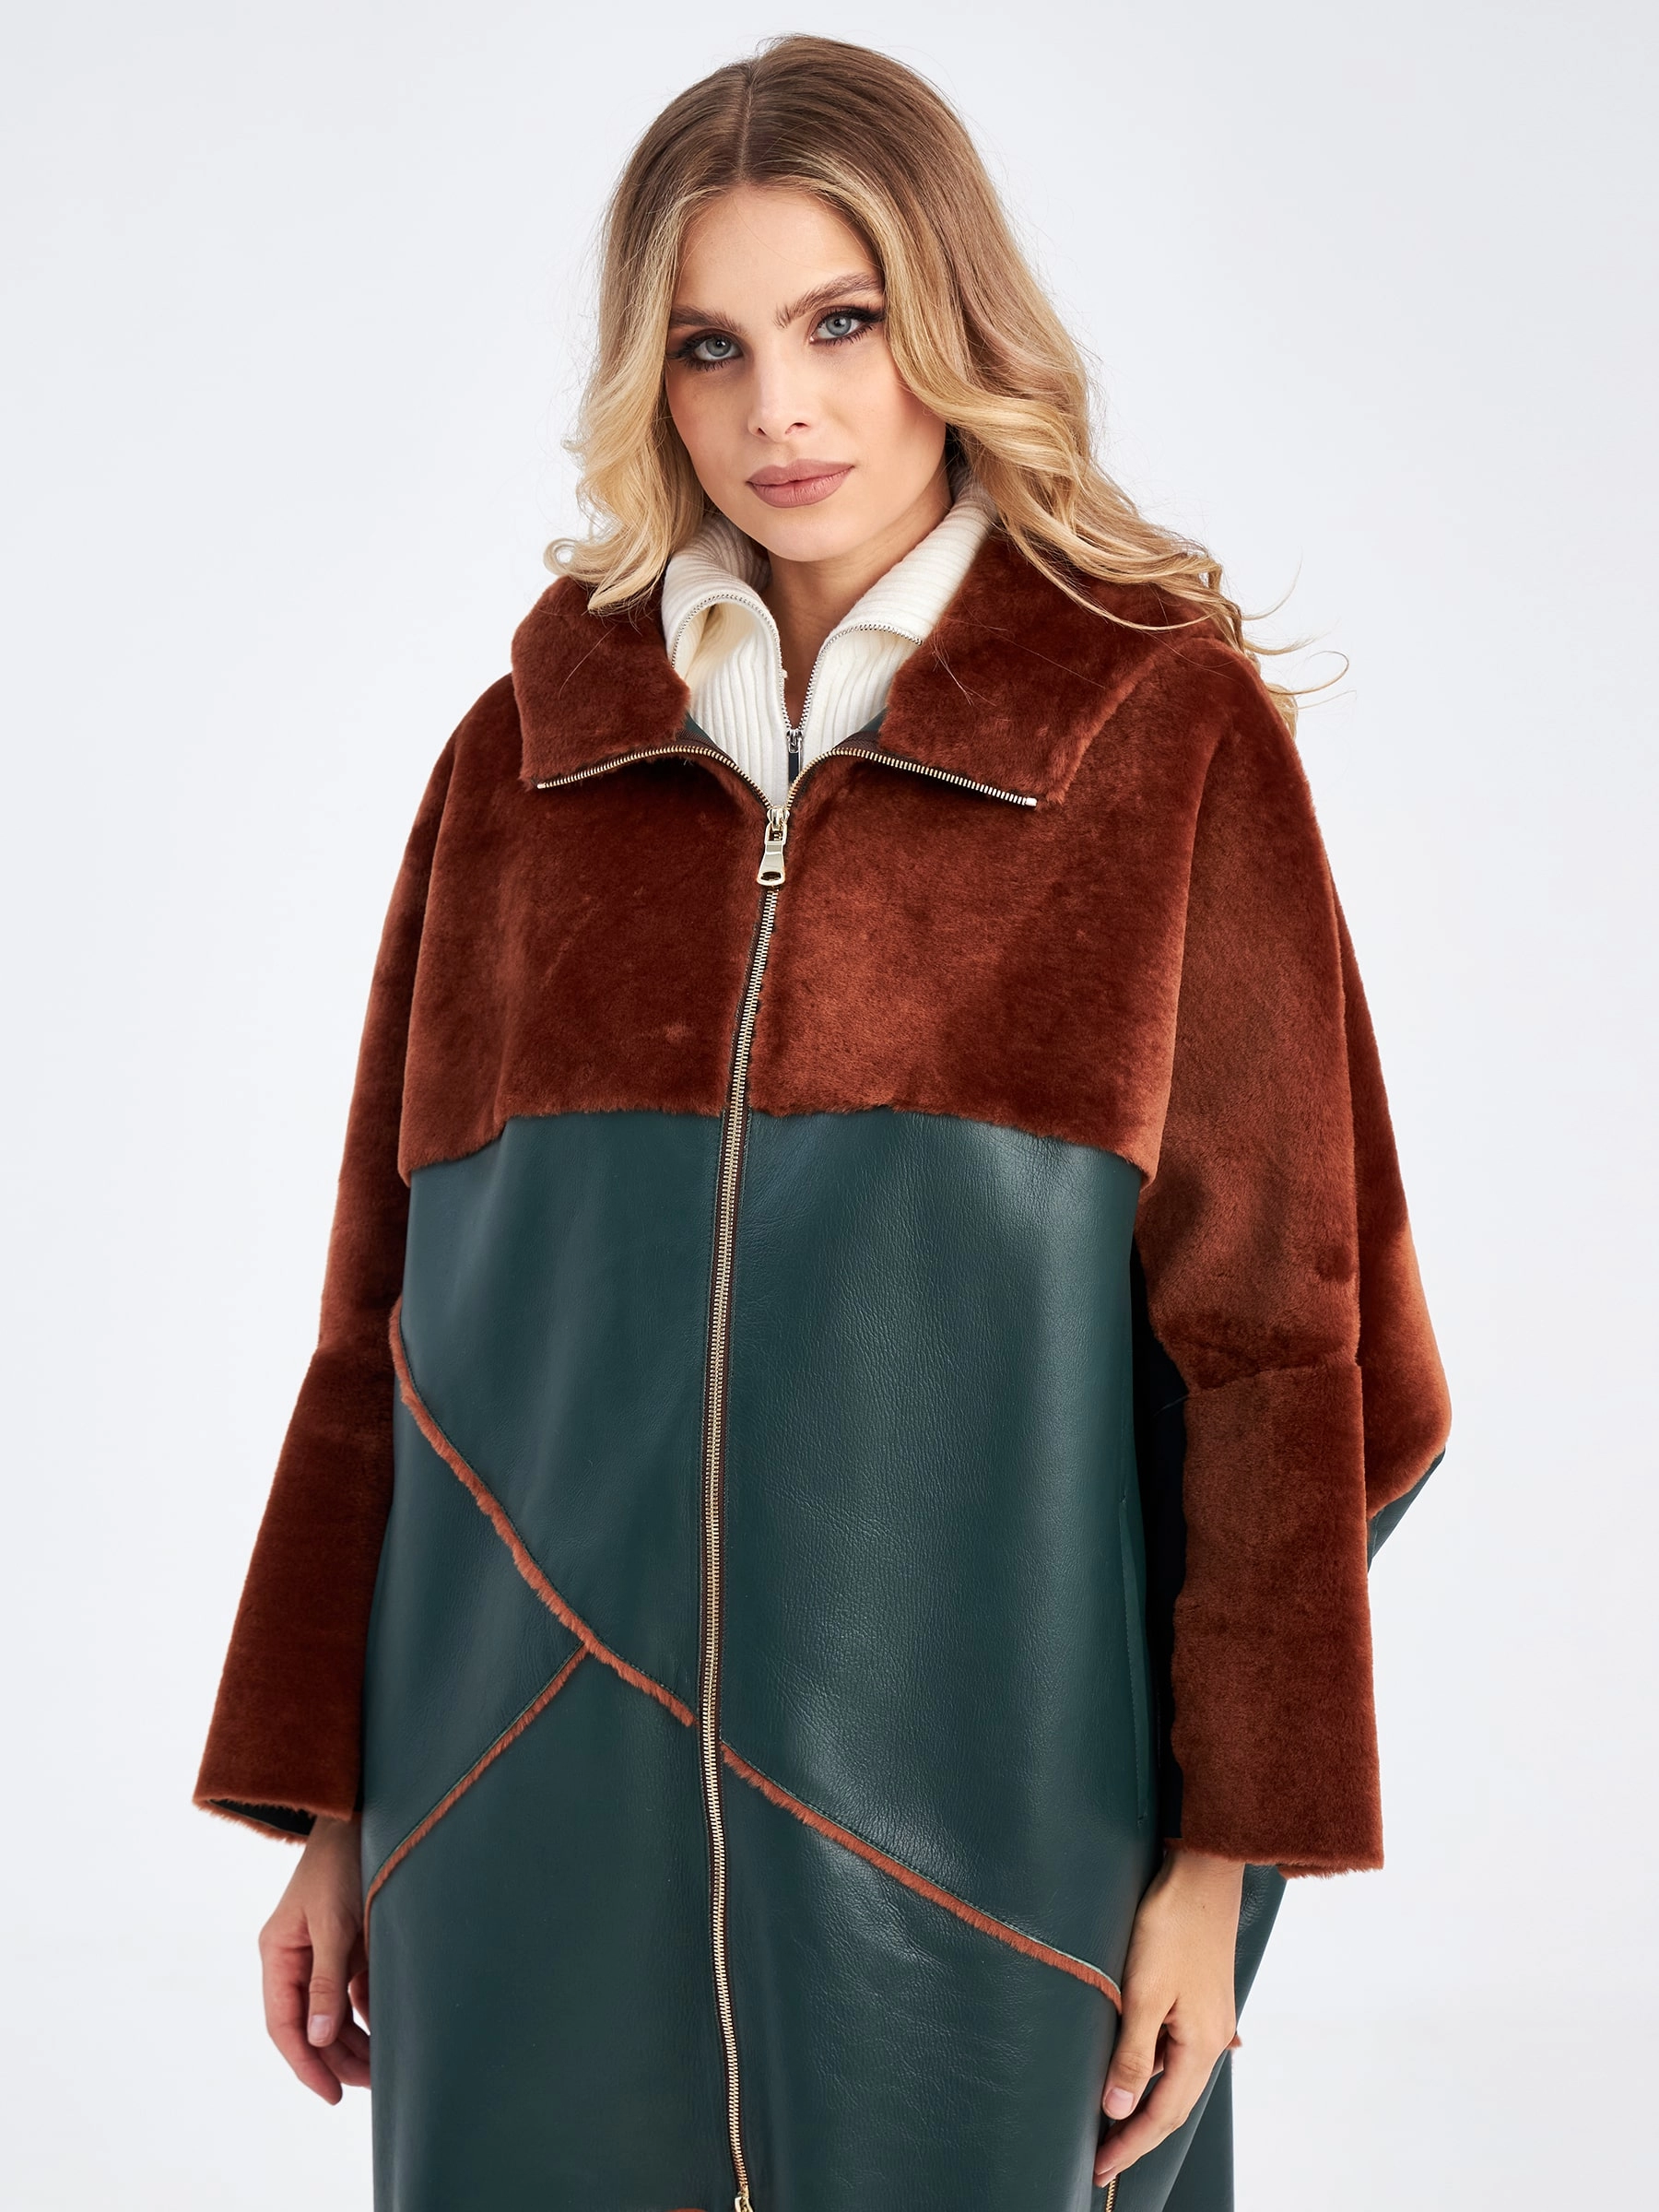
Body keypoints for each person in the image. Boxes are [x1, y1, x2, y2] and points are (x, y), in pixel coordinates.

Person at [194, 34, 1451, 2212]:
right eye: (711, 346)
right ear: (653, 384)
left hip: (985, 1867)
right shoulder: (523, 761)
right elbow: (382, 1336)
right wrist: (328, 1809)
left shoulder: (1152, 739)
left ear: (946, 321)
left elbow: (1286, 1355)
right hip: (507, 1823)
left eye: (840, 322)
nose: (781, 407)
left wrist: (1215, 1877)